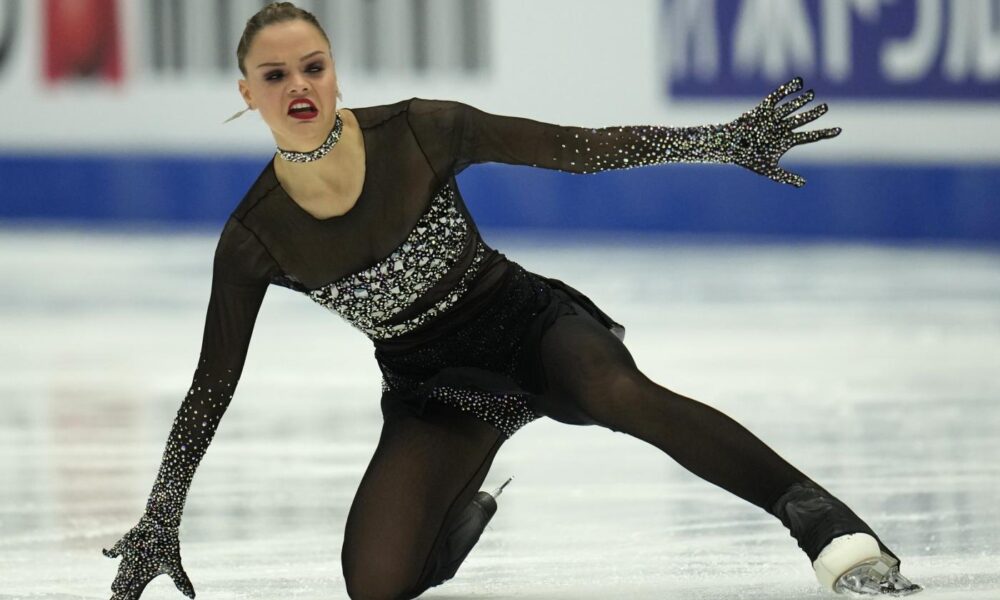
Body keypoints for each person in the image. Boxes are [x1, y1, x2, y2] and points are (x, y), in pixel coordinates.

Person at [101, 3, 922, 599]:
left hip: (530, 328)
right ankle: (460, 514)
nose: (299, 86)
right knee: (375, 585)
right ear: (247, 93)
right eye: (275, 75)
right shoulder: (256, 237)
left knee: (618, 391)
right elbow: (212, 385)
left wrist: (715, 142)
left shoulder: (420, 130)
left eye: (312, 66)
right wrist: (161, 514)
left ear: (334, 70)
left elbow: (577, 148)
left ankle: (824, 523)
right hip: (436, 389)